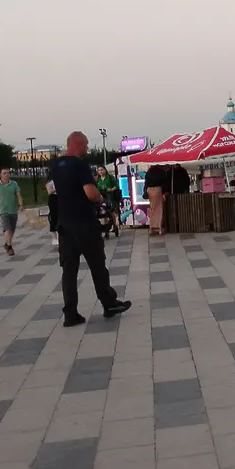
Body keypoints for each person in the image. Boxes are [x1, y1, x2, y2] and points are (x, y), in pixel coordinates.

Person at [50, 132, 132, 326]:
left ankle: (70, 314)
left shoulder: (54, 165)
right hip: (84, 224)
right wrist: (101, 198)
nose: (87, 148)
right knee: (97, 266)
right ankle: (109, 303)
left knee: (69, 271)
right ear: (76, 144)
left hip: (64, 225)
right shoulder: (80, 165)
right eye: (85, 145)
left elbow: (51, 190)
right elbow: (90, 193)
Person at [0, 168, 24, 256]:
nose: (7, 175)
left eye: (8, 173)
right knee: (7, 228)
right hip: (3, 210)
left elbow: (18, 195)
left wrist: (21, 204)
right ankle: (10, 247)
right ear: (0, 175)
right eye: (4, 173)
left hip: (13, 210)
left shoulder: (14, 184)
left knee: (12, 229)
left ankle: (7, 243)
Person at [144, 163, 167, 236]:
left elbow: (146, 183)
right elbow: (164, 183)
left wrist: (145, 191)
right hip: (158, 190)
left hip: (149, 190)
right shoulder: (161, 171)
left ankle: (151, 228)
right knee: (159, 209)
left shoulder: (149, 172)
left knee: (152, 209)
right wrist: (164, 193)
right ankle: (159, 228)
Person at [46, 179, 59, 247]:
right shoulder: (50, 181)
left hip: (61, 198)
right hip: (53, 199)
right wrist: (58, 187)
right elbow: (49, 191)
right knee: (54, 217)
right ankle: (54, 238)